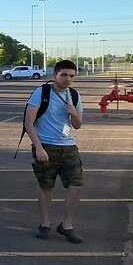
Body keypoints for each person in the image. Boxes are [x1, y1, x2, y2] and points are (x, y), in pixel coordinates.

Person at [25, 60, 85, 243]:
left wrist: (74, 113)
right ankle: (44, 224)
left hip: (69, 147)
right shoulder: (41, 93)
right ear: (55, 75)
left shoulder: (74, 95)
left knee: (76, 187)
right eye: (64, 75)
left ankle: (66, 225)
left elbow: (78, 125)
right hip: (46, 146)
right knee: (46, 187)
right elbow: (28, 123)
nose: (68, 79)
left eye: (72, 76)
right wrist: (39, 148)